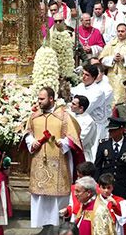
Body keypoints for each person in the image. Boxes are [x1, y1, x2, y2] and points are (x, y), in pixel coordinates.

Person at [26, 87, 82, 232]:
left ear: (51, 99)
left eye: (42, 99)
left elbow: (73, 136)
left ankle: (58, 227)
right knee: (41, 197)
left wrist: (62, 143)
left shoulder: (63, 116)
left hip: (58, 161)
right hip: (39, 160)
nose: (39, 102)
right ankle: (45, 227)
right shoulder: (34, 116)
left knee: (57, 198)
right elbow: (27, 132)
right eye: (38, 98)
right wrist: (32, 142)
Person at [94, 117, 126, 227]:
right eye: (110, 130)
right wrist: (96, 187)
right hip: (107, 188)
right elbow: (97, 167)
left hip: (124, 187)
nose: (111, 133)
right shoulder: (103, 145)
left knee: (123, 220)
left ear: (121, 129)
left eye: (113, 130)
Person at [70, 95, 98, 162]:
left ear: (81, 108)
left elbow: (81, 140)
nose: (71, 105)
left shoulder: (88, 121)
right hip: (69, 153)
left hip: (82, 153)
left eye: (74, 104)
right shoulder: (70, 114)